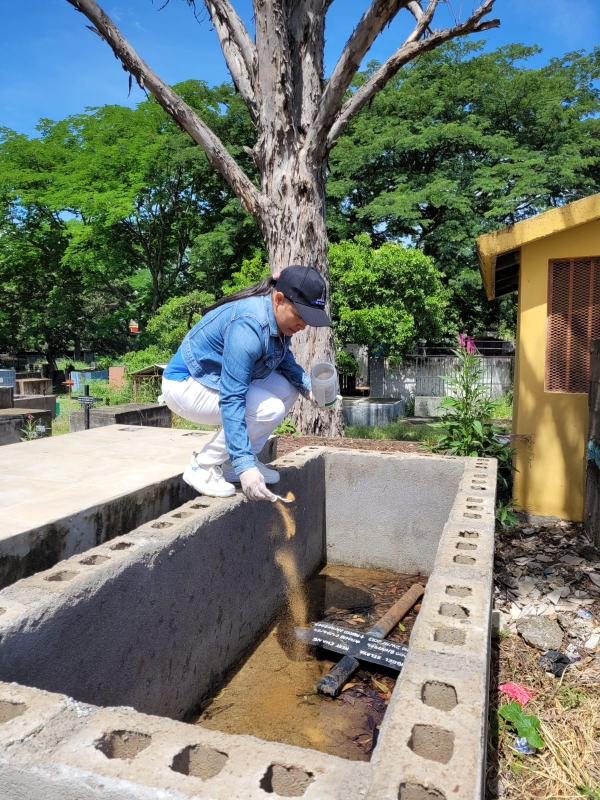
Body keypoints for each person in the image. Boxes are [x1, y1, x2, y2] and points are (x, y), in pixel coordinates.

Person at [159, 266, 333, 502]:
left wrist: (309, 389)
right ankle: (204, 465)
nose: (304, 325)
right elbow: (232, 398)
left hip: (213, 379)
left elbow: (283, 358)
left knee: (288, 390)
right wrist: (245, 467)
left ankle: (231, 463)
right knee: (269, 408)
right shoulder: (249, 326)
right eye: (301, 316)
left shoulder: (276, 317)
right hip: (185, 385)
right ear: (279, 299)